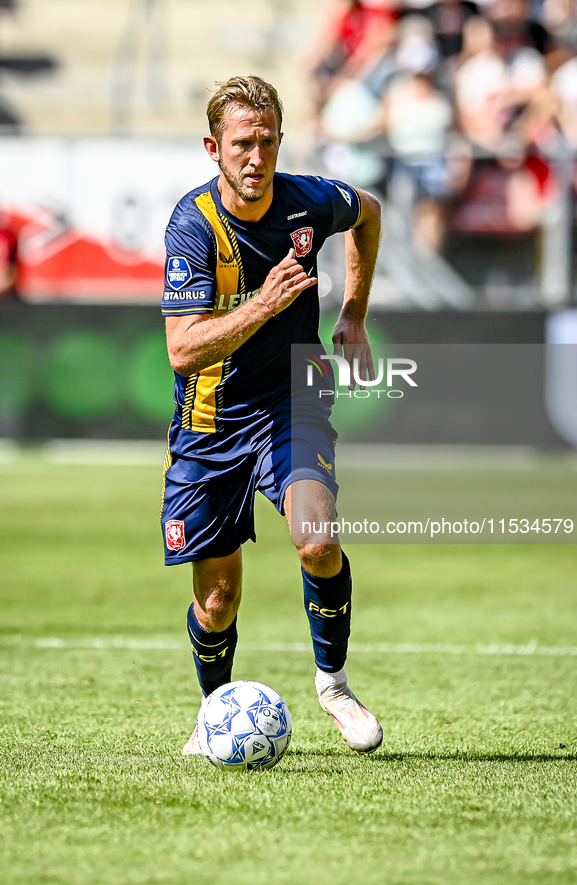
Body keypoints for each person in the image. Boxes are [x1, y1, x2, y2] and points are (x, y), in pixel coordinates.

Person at [160, 75, 383, 755]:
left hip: (294, 392)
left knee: (315, 538)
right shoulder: (193, 224)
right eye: (241, 144)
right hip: (210, 420)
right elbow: (181, 349)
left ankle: (334, 685)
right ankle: (213, 713)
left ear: (280, 140)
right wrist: (260, 304)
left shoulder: (308, 200)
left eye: (266, 141)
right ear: (213, 148)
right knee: (217, 598)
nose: (255, 158)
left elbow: (368, 211)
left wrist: (352, 314)